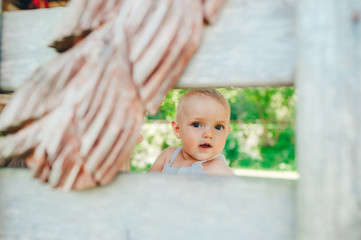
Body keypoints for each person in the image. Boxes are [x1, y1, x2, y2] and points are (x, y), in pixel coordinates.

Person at [148, 89, 234, 175]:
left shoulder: (219, 171)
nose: (209, 134)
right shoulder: (168, 157)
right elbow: (145, 182)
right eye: (197, 124)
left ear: (227, 132)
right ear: (178, 129)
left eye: (218, 127)